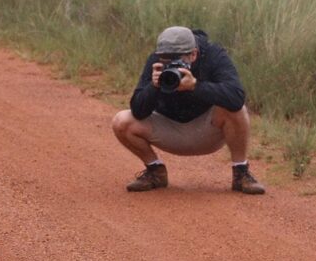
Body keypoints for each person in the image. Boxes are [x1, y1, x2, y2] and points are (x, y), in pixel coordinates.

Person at [112, 26, 265, 194]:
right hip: (168, 130)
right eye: (165, 58)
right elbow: (138, 111)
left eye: (176, 59)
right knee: (121, 120)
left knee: (238, 110)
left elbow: (236, 96)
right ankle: (155, 171)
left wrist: (195, 86)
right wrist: (153, 86)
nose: (170, 64)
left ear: (194, 54)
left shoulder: (214, 55)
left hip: (207, 131)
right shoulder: (155, 61)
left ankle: (241, 173)